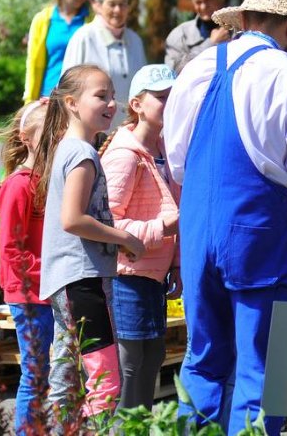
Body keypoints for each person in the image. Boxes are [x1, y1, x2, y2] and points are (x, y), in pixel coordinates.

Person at [163, 0, 287, 434]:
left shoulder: (197, 67)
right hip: (257, 231)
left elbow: (176, 160)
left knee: (201, 361)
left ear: (244, 18)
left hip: (197, 228)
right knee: (260, 369)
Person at [32, 64, 145, 418]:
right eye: (101, 96)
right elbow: (73, 219)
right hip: (83, 279)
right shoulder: (81, 153)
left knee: (66, 374)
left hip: (70, 278)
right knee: (104, 380)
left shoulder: (68, 148)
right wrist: (125, 238)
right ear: (71, 103)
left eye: (112, 95)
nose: (112, 103)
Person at [98, 64, 181, 410]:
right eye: (161, 97)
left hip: (153, 274)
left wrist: (175, 264)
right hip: (127, 275)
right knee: (130, 366)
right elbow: (107, 223)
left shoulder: (166, 150)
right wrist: (162, 228)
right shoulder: (124, 156)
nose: (170, 103)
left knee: (151, 359)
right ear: (136, 104)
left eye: (174, 96)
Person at [0, 100, 52, 434]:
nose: (56, 137)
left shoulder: (53, 178)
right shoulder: (19, 184)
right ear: (26, 137)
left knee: (51, 373)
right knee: (35, 374)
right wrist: (48, 273)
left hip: (51, 289)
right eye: (48, 131)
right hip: (30, 295)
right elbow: (10, 248)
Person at [62, 0, 147, 128]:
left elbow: (143, 88)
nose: (117, 10)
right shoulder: (84, 37)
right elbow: (67, 88)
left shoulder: (135, 40)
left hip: (128, 129)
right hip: (91, 130)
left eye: (122, 4)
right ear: (97, 6)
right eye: (112, 4)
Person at [23, 0, 95, 103]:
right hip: (46, 96)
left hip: (80, 98)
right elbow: (33, 62)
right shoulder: (43, 20)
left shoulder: (91, 20)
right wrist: (30, 99)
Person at [165, 0, 231, 74]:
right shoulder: (179, 36)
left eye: (208, 0)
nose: (203, 7)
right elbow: (174, 72)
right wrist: (211, 43)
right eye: (198, 2)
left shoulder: (238, 31)